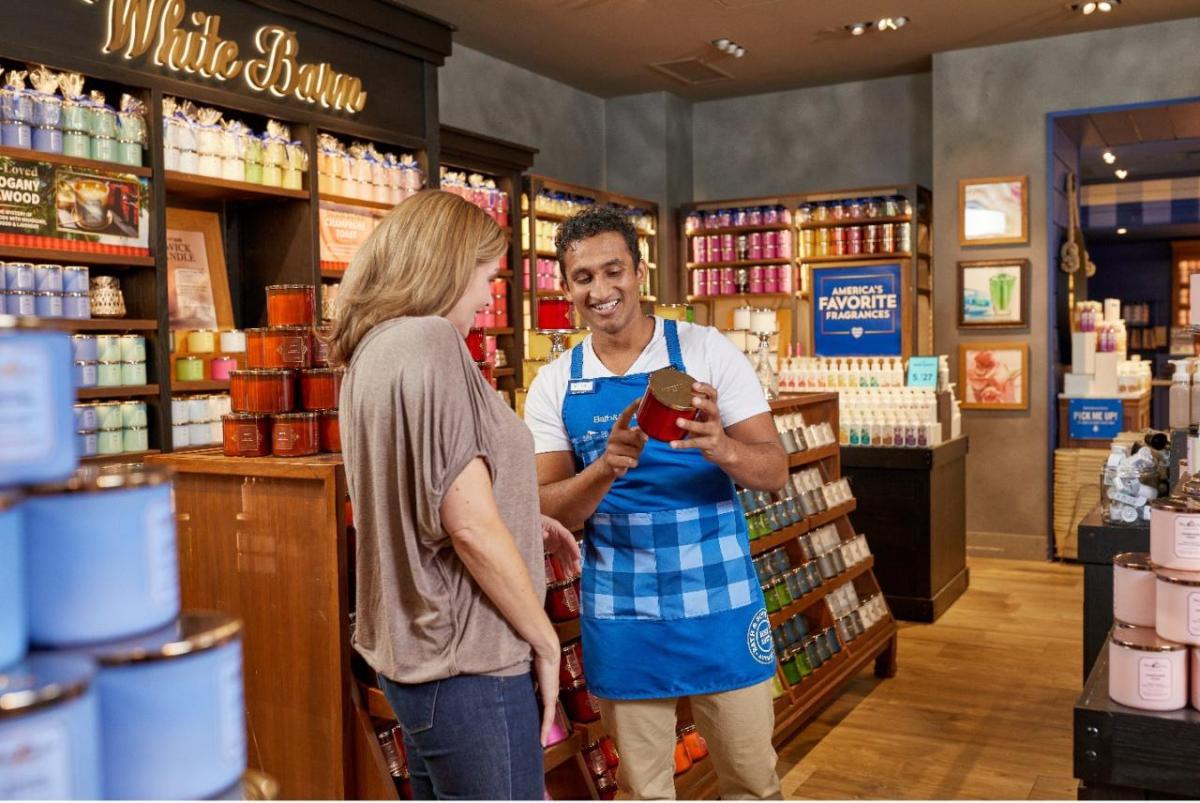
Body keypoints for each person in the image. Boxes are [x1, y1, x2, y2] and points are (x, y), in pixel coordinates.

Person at [524, 206, 789, 800]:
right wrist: (604, 469)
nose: (601, 290)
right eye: (583, 278)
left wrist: (721, 446)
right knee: (644, 789)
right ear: (567, 288)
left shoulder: (706, 350)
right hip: (623, 611)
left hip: (720, 602)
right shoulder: (555, 383)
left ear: (638, 273)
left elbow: (774, 471)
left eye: (612, 271)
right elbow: (549, 513)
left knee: (751, 779)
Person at [330, 190, 580, 800]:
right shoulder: (431, 342)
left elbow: (416, 497)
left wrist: (523, 519)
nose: (486, 298)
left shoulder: (371, 352)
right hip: (469, 663)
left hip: (416, 661)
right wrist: (544, 640)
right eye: (485, 278)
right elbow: (464, 522)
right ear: (444, 265)